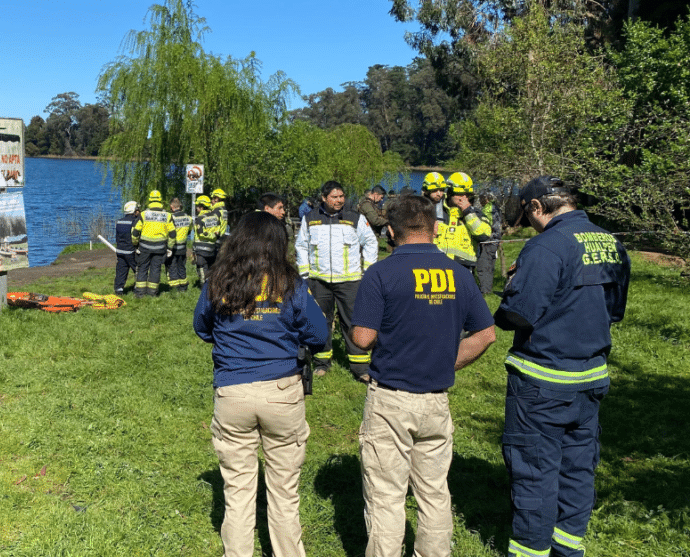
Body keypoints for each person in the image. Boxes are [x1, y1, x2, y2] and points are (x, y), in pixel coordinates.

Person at [350, 194, 496, 557]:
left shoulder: (381, 272)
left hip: (391, 399)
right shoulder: (459, 273)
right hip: (436, 399)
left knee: (386, 494)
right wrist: (447, 363)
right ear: (434, 229)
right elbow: (486, 334)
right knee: (434, 491)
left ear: (391, 233)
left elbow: (363, 338)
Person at [494, 175, 630, 557]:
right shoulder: (611, 242)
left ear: (537, 207)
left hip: (543, 381)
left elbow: (519, 314)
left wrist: (509, 297)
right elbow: (614, 311)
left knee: (535, 471)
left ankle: (530, 551)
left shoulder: (545, 247)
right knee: (578, 467)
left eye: (528, 216)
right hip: (591, 377)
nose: (530, 224)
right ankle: (568, 547)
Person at [193, 211, 330, 557]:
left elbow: (202, 327)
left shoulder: (218, 281)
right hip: (282, 392)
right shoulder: (291, 283)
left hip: (232, 391)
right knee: (284, 489)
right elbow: (319, 333)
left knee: (237, 490)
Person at [294, 180, 378, 380]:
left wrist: (367, 271)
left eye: (341, 196)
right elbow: (301, 247)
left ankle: (360, 368)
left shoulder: (355, 218)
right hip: (319, 281)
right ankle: (322, 363)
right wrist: (305, 274)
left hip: (350, 282)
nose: (339, 200)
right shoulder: (310, 218)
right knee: (321, 322)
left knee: (353, 323)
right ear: (323, 198)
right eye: (334, 197)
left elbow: (371, 243)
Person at [434, 172, 492, 272]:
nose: (464, 198)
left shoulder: (476, 214)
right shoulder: (436, 212)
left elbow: (483, 235)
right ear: (449, 193)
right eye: (460, 194)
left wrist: (468, 212)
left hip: (464, 268)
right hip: (437, 266)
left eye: (467, 194)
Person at [131, 190, 176, 297]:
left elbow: (135, 232)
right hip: (160, 248)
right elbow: (173, 234)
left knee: (142, 268)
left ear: (149, 200)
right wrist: (169, 248)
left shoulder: (143, 214)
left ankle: (140, 293)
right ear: (160, 200)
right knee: (155, 269)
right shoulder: (168, 215)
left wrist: (135, 245)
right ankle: (152, 293)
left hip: (144, 248)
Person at [476, 191, 503, 294]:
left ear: (486, 199)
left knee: (483, 265)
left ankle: (485, 291)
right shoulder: (495, 207)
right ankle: (488, 289)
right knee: (490, 265)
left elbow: (486, 226)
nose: (480, 201)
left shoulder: (488, 209)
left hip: (488, 241)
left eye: (481, 199)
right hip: (495, 240)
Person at [193, 195, 221, 285]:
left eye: (197, 207)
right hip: (212, 248)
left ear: (201, 207)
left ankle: (204, 289)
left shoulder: (200, 219)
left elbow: (200, 233)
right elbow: (218, 231)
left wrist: (209, 235)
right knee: (210, 268)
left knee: (202, 269)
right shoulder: (215, 217)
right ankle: (211, 286)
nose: (196, 209)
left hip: (201, 248)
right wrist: (213, 236)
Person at [166, 197, 193, 292]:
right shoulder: (188, 217)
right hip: (183, 247)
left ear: (172, 207)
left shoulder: (171, 217)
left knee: (172, 266)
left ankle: (174, 288)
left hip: (173, 246)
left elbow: (168, 232)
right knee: (181, 266)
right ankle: (183, 287)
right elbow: (189, 231)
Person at [113, 201, 140, 295]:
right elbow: (135, 237)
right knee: (139, 269)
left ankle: (118, 289)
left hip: (120, 250)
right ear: (134, 211)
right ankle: (139, 289)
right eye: (138, 210)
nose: (139, 212)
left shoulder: (119, 221)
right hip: (131, 251)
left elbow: (117, 237)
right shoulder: (135, 222)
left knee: (121, 271)